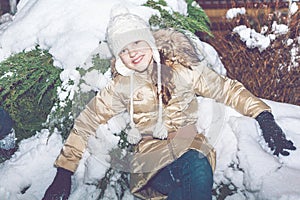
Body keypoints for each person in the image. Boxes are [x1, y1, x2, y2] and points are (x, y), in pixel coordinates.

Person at [42, 12, 296, 200]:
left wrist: (264, 116)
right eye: (123, 49)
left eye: (136, 43)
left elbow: (228, 90)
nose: (132, 53)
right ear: (119, 56)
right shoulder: (121, 87)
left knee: (190, 172)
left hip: (189, 146)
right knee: (195, 167)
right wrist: (63, 172)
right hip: (153, 162)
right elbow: (86, 122)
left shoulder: (184, 69)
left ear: (149, 42)